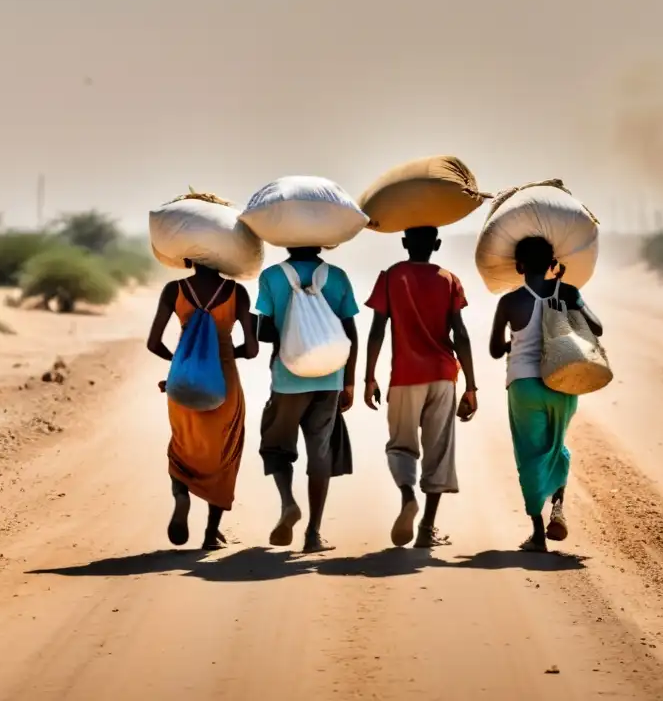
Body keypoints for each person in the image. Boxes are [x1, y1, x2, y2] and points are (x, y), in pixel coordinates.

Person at [364, 226, 478, 549]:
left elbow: (377, 332)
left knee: (401, 445)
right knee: (438, 451)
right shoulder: (450, 279)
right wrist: (471, 386)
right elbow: (461, 334)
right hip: (443, 375)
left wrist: (369, 377)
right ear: (437, 244)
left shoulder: (390, 277)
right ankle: (427, 528)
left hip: (404, 375)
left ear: (403, 243)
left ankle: (407, 496)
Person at [488, 236, 603, 553]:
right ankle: (559, 506)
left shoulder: (509, 302)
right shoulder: (567, 292)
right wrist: (570, 296)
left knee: (529, 454)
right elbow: (597, 328)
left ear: (519, 266)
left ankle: (538, 534)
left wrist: (518, 343)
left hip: (524, 384)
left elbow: (495, 350)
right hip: (563, 381)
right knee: (556, 447)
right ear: (553, 264)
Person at [147, 261, 259, 551]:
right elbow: (252, 349)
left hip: (183, 382)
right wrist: (223, 351)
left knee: (183, 444)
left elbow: (153, 343)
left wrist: (183, 363)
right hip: (224, 382)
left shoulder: (174, 290)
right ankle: (211, 533)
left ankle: (181, 495)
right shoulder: (238, 293)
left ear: (190, 259)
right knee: (223, 453)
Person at [255, 246, 360, 554]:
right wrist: (350, 381)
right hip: (330, 378)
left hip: (287, 379)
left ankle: (288, 503)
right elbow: (350, 332)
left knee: (275, 446)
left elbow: (264, 332)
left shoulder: (272, 276)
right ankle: (313, 533)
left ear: (287, 241)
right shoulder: (338, 277)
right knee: (321, 452)